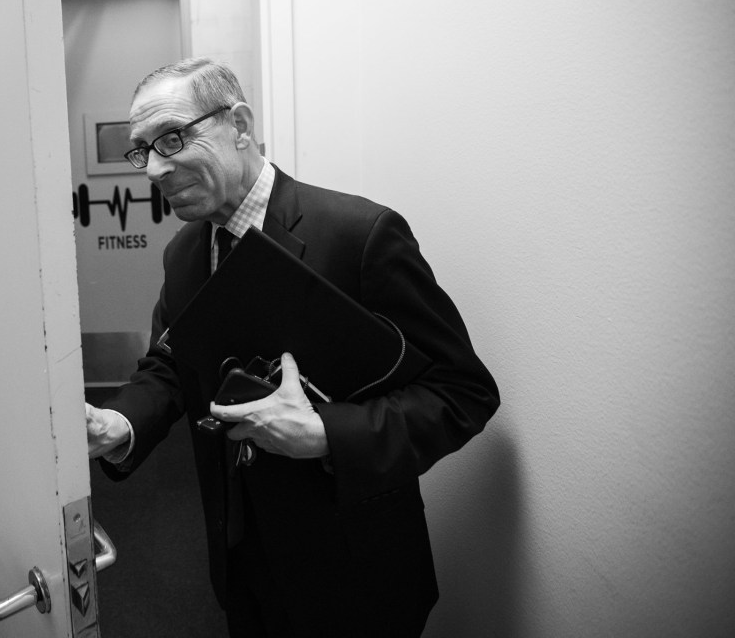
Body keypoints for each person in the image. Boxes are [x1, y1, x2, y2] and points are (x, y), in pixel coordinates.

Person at [85, 57, 500, 637]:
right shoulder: (183, 253)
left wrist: (327, 434)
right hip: (241, 555)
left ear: (240, 124)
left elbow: (462, 393)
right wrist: (117, 423)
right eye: (143, 149)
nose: (153, 168)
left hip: (354, 573)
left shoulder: (361, 236)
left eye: (173, 138)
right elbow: (175, 361)